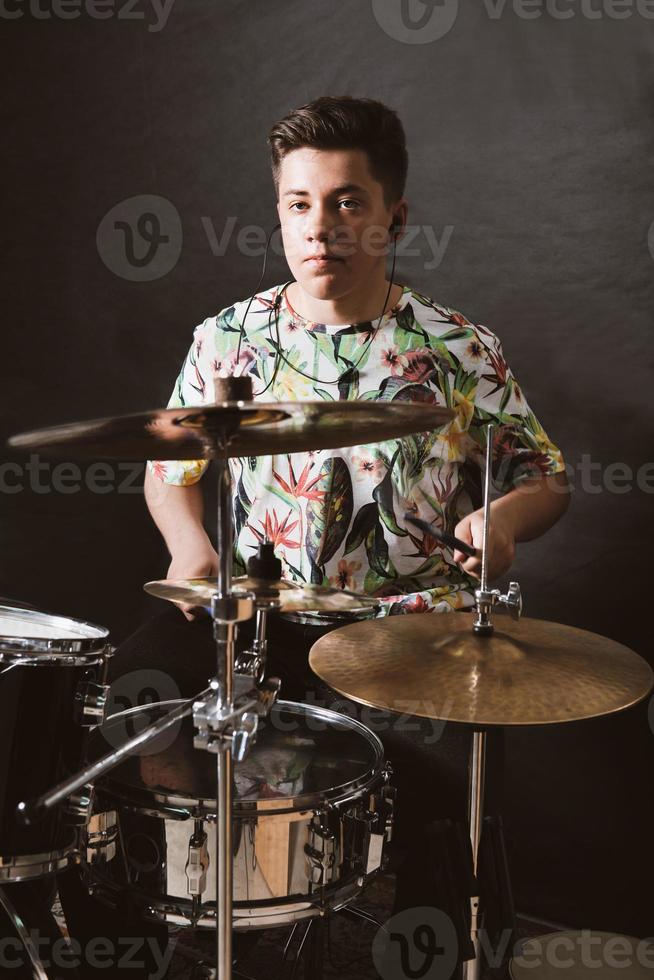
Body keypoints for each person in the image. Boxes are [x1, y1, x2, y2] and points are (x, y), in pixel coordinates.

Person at [61, 95, 569, 978]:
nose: (320, 226)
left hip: (409, 628)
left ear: (393, 217)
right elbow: (167, 467)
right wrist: (191, 548)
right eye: (299, 203)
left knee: (442, 807)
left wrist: (503, 521)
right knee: (106, 732)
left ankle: (443, 948)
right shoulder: (230, 337)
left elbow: (544, 476)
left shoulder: (456, 349)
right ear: (279, 213)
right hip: (261, 615)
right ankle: (122, 953)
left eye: (346, 202)